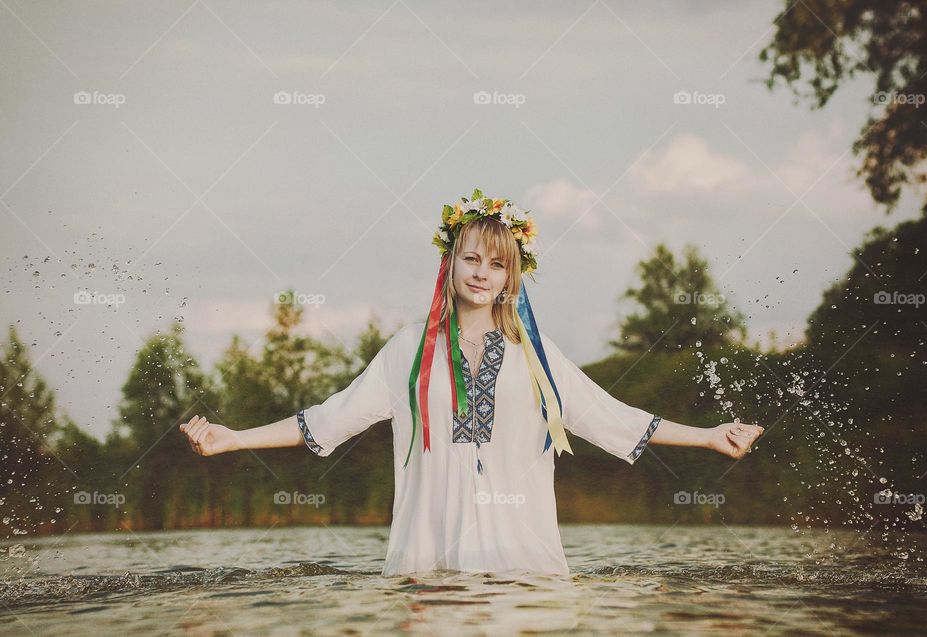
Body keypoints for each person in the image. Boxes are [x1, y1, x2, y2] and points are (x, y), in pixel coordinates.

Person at [178, 188, 764, 576]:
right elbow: (329, 418)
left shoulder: (534, 356)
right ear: (450, 264)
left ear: (513, 272)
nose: (483, 274)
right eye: (472, 260)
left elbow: (610, 416)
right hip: (430, 564)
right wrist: (234, 439)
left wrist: (709, 436)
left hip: (521, 564)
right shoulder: (410, 351)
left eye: (498, 263)